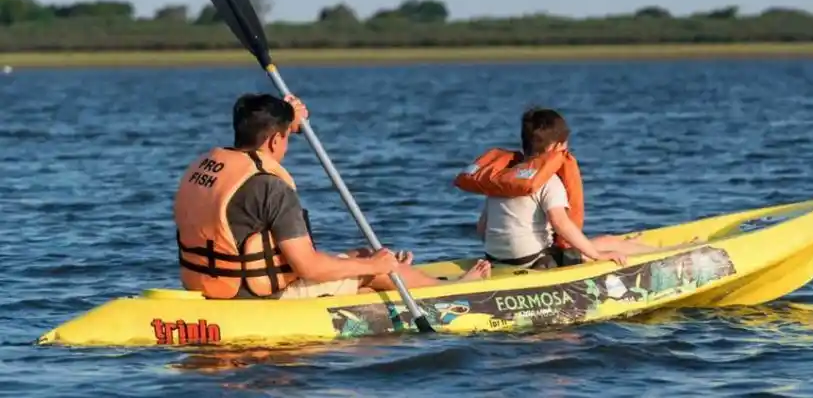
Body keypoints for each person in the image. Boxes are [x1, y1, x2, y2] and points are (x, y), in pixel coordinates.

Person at [173, 92, 490, 300]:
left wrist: (288, 122)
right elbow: (309, 268)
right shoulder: (270, 186)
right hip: (258, 296)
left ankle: (389, 268)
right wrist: (375, 267)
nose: (287, 144)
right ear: (273, 141)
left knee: (361, 255)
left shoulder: (209, 166)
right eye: (286, 138)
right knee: (372, 269)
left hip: (209, 284)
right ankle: (452, 293)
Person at [454, 107, 661, 270]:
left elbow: (482, 228)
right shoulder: (549, 181)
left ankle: (642, 247)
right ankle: (667, 255)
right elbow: (561, 224)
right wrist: (597, 256)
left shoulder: (501, 179)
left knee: (595, 243)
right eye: (565, 145)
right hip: (536, 262)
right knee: (606, 241)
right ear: (555, 148)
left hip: (496, 259)